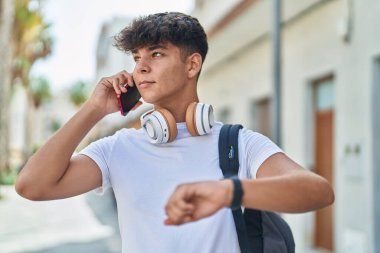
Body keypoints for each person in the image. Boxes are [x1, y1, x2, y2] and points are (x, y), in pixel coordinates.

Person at [15, 12, 334, 253]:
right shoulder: (118, 148)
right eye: (137, 58)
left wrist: (230, 192)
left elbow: (318, 191)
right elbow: (32, 186)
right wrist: (94, 109)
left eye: (155, 54)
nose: (140, 68)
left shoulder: (237, 143)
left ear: (192, 65)